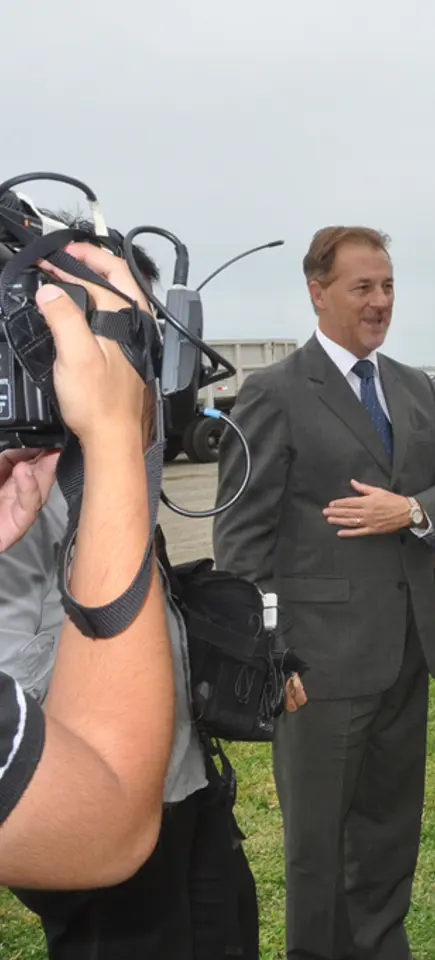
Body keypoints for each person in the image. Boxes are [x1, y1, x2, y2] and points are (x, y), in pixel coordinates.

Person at [212, 225, 435, 960]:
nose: (379, 301)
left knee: (391, 833)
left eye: (388, 286)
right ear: (317, 291)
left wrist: (412, 510)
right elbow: (242, 543)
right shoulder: (274, 394)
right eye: (362, 287)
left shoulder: (416, 389)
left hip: (407, 654)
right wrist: (271, 652)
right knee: (317, 846)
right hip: (317, 668)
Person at [3, 231, 267, 959]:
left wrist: (227, 655)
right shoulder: (21, 481)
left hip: (186, 788)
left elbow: (147, 605)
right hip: (94, 805)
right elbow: (22, 683)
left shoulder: (113, 458)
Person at [0, 244, 173, 891]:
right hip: (71, 789)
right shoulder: (36, 470)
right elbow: (103, 820)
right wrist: (110, 440)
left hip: (177, 781)